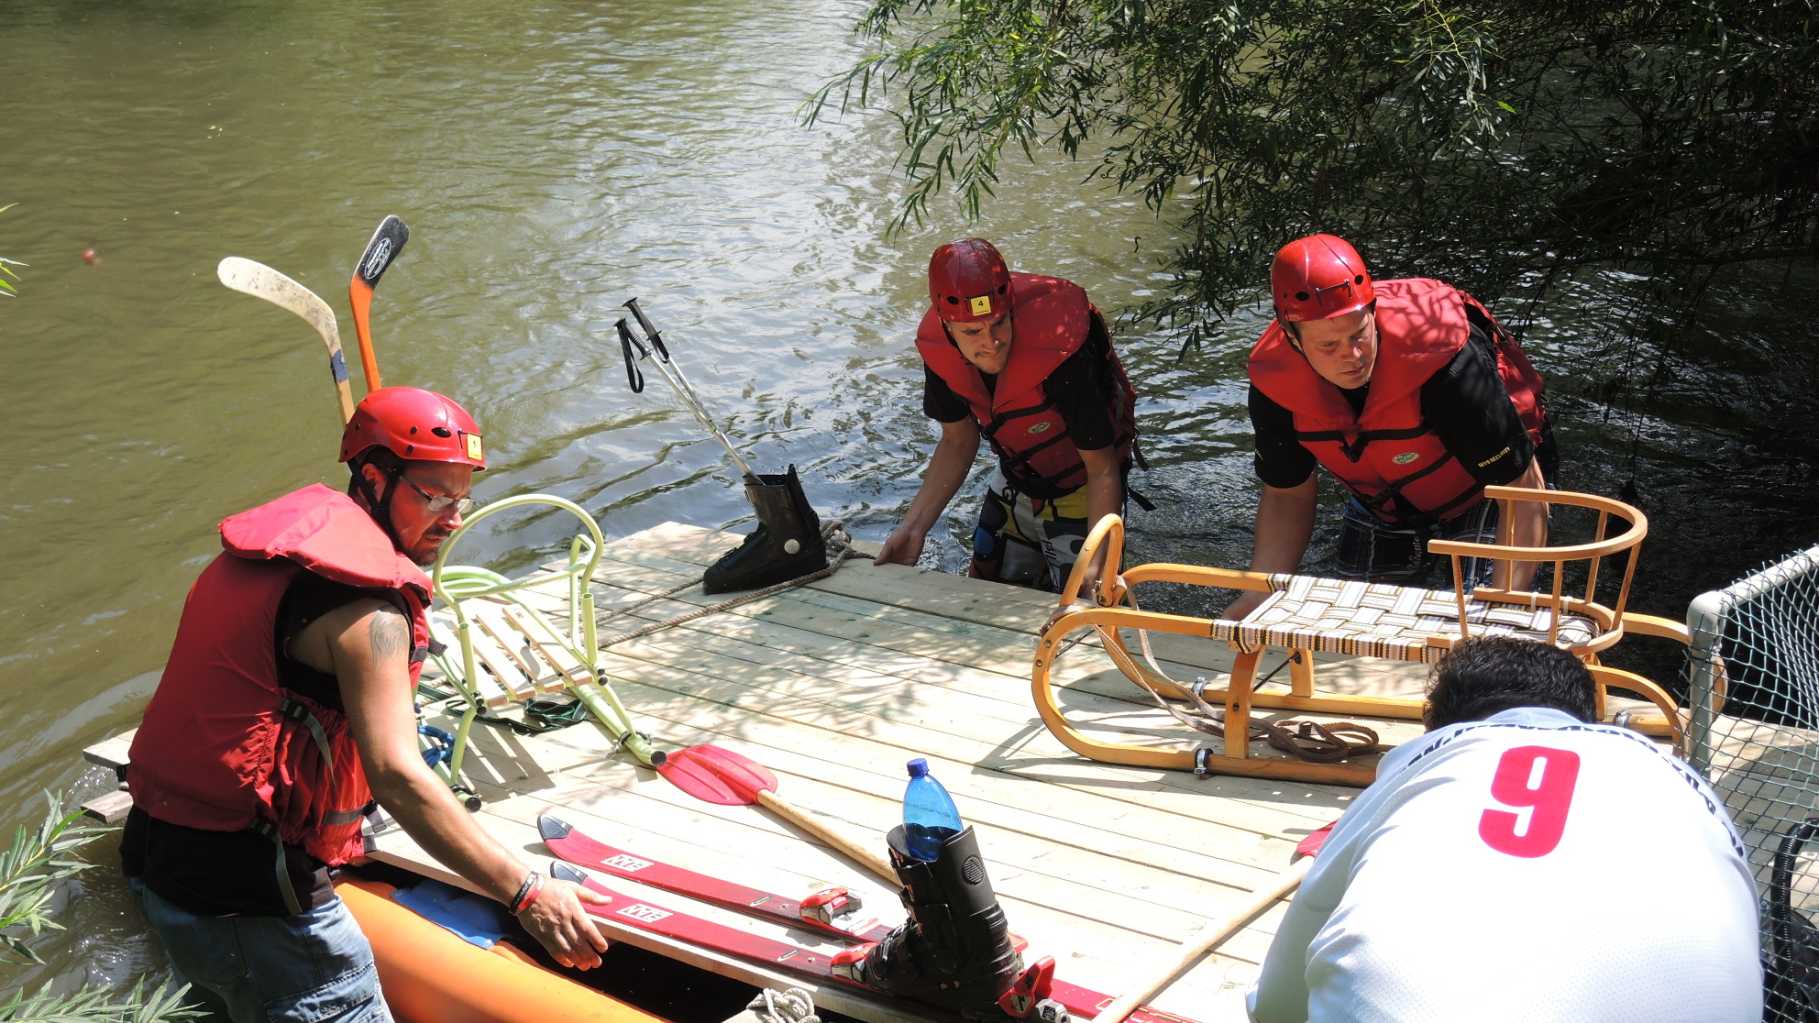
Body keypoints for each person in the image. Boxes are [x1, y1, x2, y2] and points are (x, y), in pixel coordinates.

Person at [122, 387, 609, 1022]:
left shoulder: (265, 558)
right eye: (436, 497)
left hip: (156, 853)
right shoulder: (370, 614)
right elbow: (400, 776)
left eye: (464, 498)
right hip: (253, 897)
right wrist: (526, 893)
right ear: (374, 479)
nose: (455, 518)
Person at [1246, 636, 1762, 1023]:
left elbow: (1281, 995)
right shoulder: (1677, 777)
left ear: (1437, 722)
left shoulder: (1424, 760)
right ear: (1591, 718)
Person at [1226, 234, 1556, 619]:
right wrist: (1259, 592)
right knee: (1348, 630)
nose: (1352, 357)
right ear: (1293, 340)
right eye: (1328, 346)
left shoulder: (1444, 364)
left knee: (1481, 625)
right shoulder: (1274, 386)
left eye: (1359, 335)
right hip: (1382, 502)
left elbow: (1523, 490)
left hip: (1489, 493)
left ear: (1373, 312)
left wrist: (1503, 604)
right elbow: (1287, 495)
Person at [876, 237, 1141, 591]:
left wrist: (1096, 563)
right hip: (1017, 477)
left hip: (1084, 481)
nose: (990, 342)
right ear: (947, 327)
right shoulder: (939, 350)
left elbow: (1102, 466)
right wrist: (912, 529)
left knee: (1088, 598)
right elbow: (957, 440)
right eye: (972, 331)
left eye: (999, 323)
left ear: (1012, 310)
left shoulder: (1060, 353)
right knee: (984, 585)